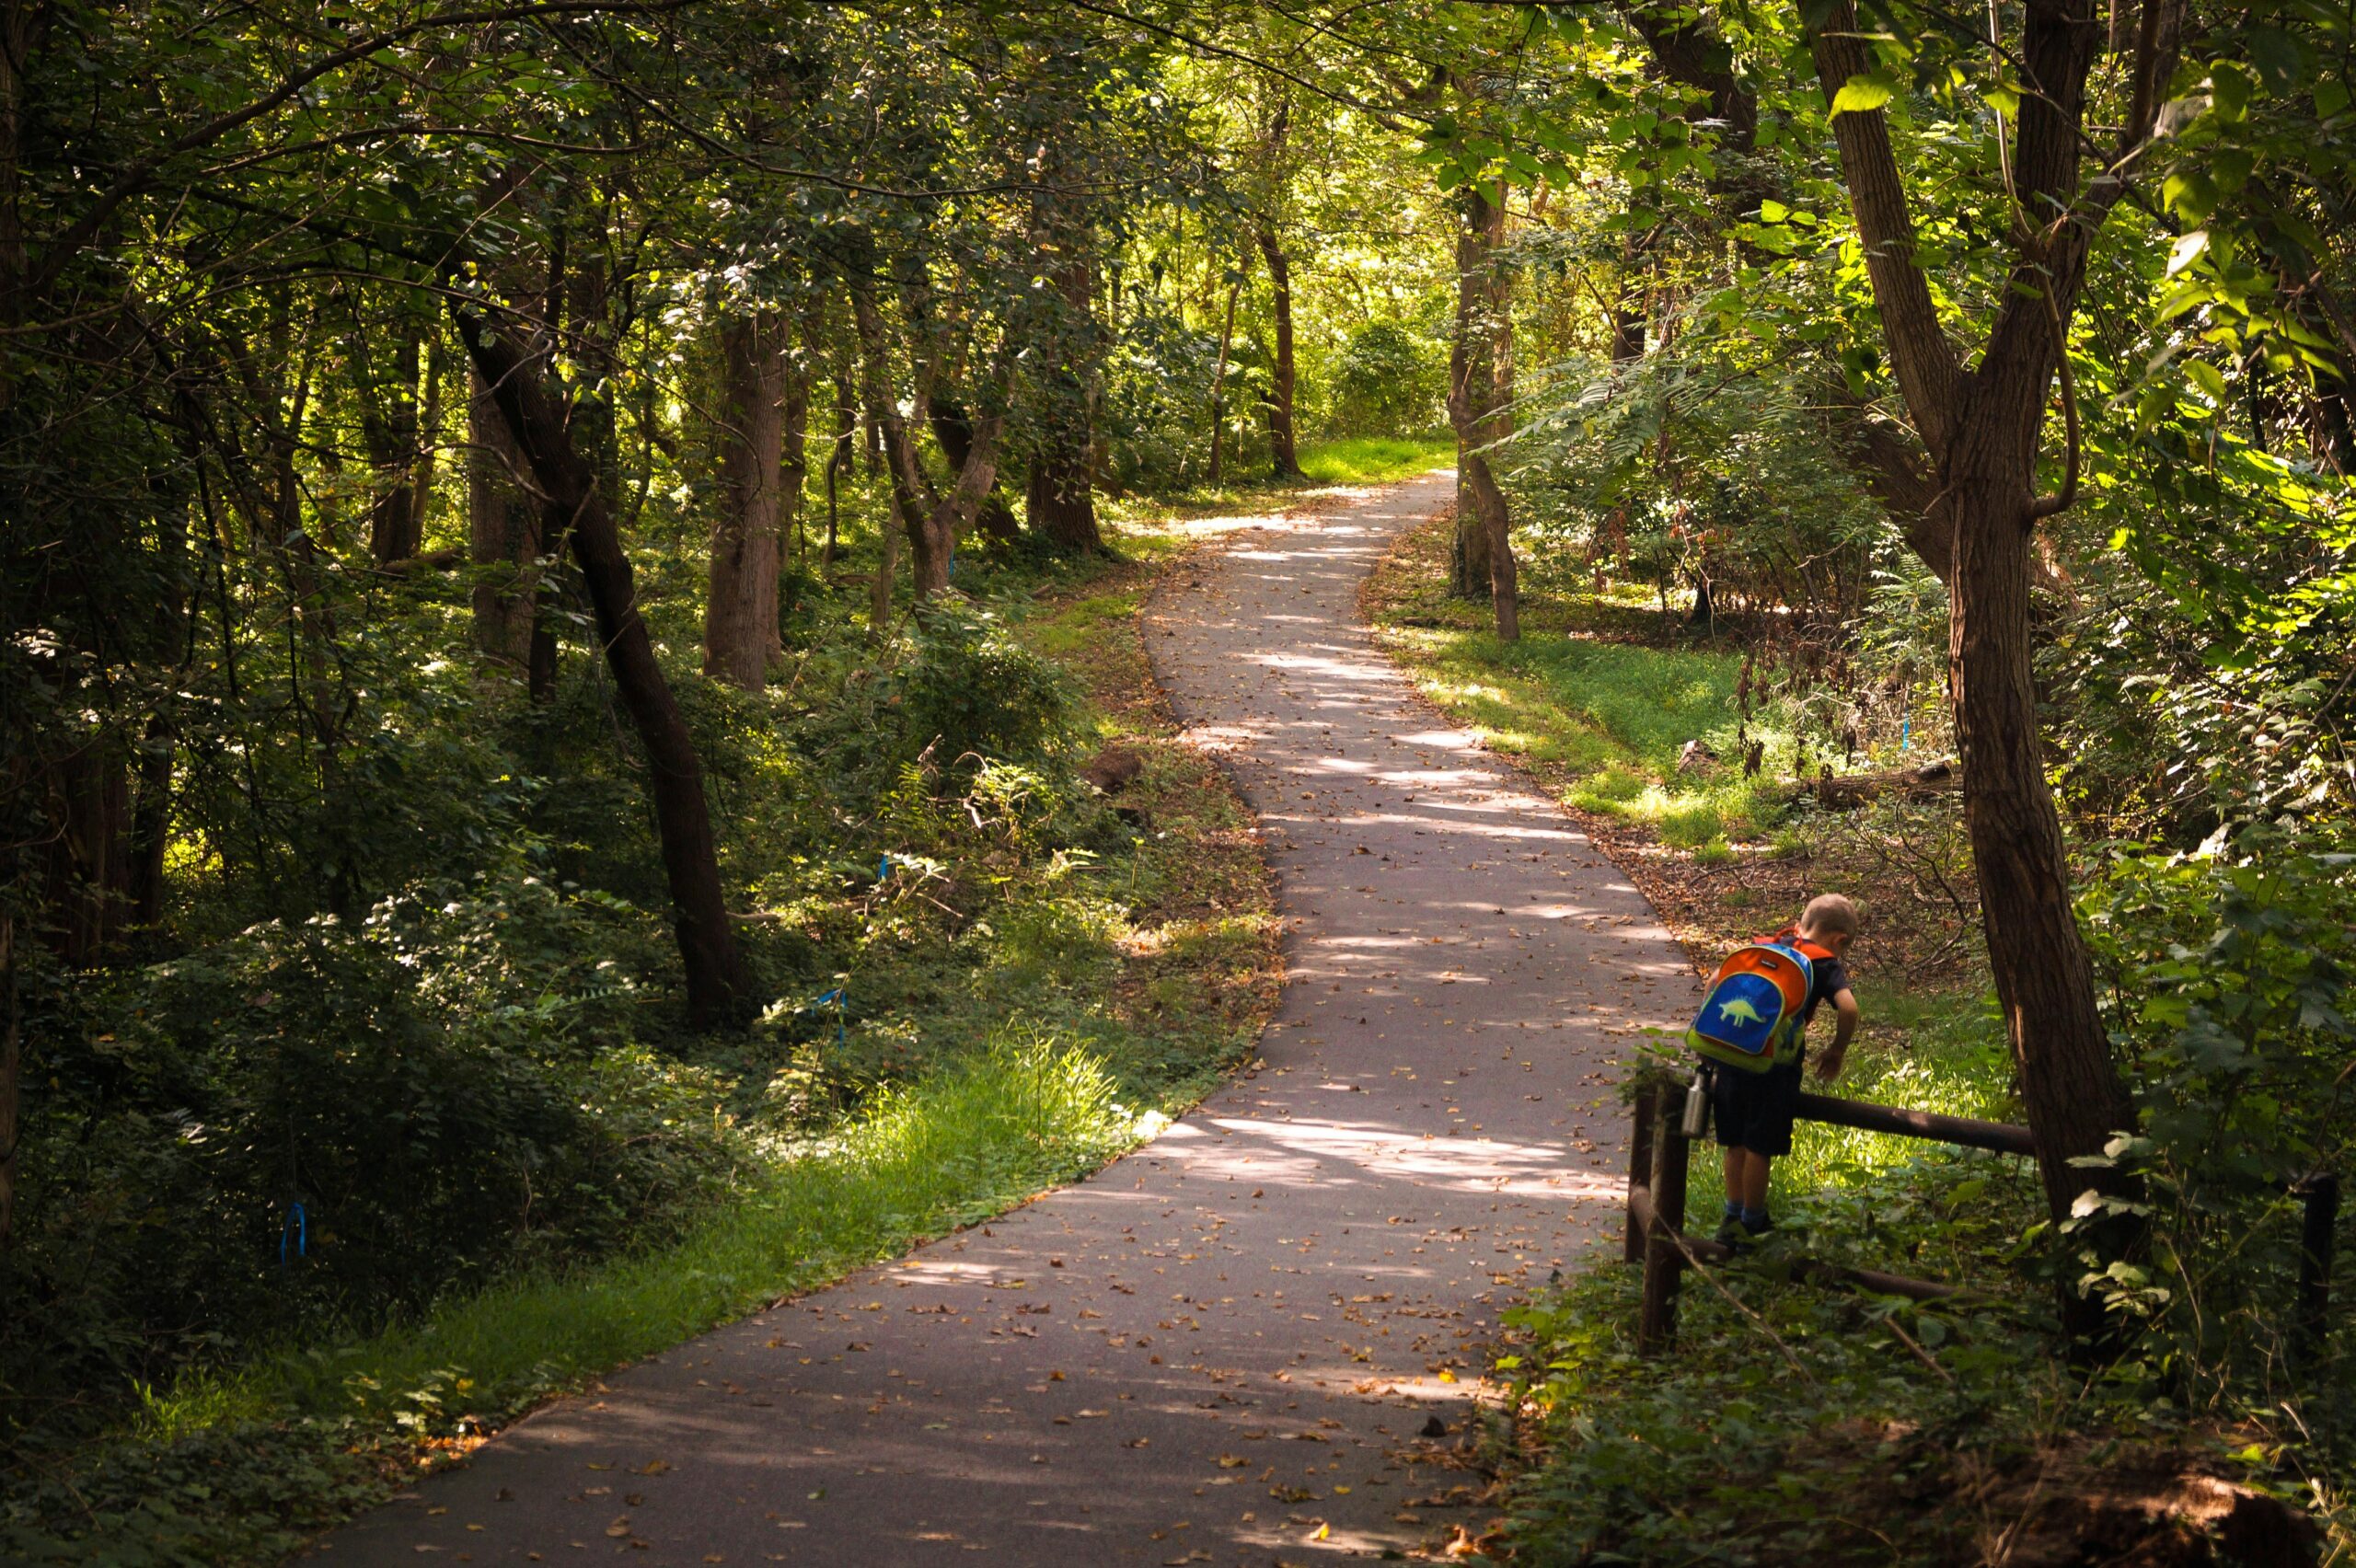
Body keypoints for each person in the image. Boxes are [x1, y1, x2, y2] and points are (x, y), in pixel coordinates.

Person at [1710, 893, 1858, 1247]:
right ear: (1839, 940)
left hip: (1732, 1057)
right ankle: (1754, 1221)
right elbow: (1849, 1009)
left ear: (1803, 922)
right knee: (1759, 1146)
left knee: (1734, 1143)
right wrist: (1836, 1050)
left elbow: (1715, 980)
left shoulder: (1766, 946)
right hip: (1774, 1070)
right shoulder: (1824, 964)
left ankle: (1731, 1217)